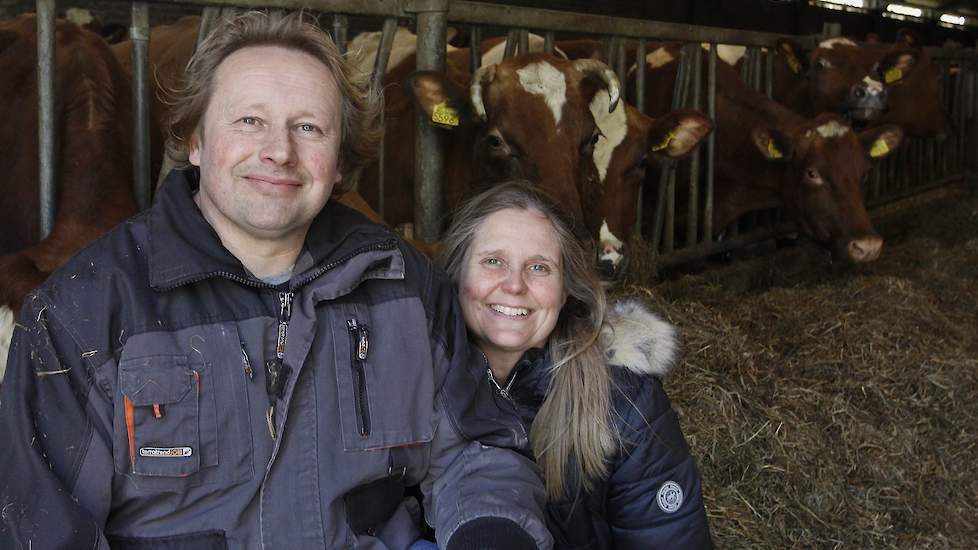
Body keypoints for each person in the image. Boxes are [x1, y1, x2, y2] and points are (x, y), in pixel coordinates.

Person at [0, 11, 551, 550]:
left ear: (339, 162)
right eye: (249, 121)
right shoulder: (82, 312)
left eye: (308, 127)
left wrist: (490, 532)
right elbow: (44, 524)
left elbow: (478, 451)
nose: (279, 151)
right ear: (194, 140)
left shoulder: (404, 283)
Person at [439, 181, 714, 549]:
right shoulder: (410, 382)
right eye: (493, 261)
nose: (515, 285)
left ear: (565, 290)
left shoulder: (624, 403)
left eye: (539, 267)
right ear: (456, 276)